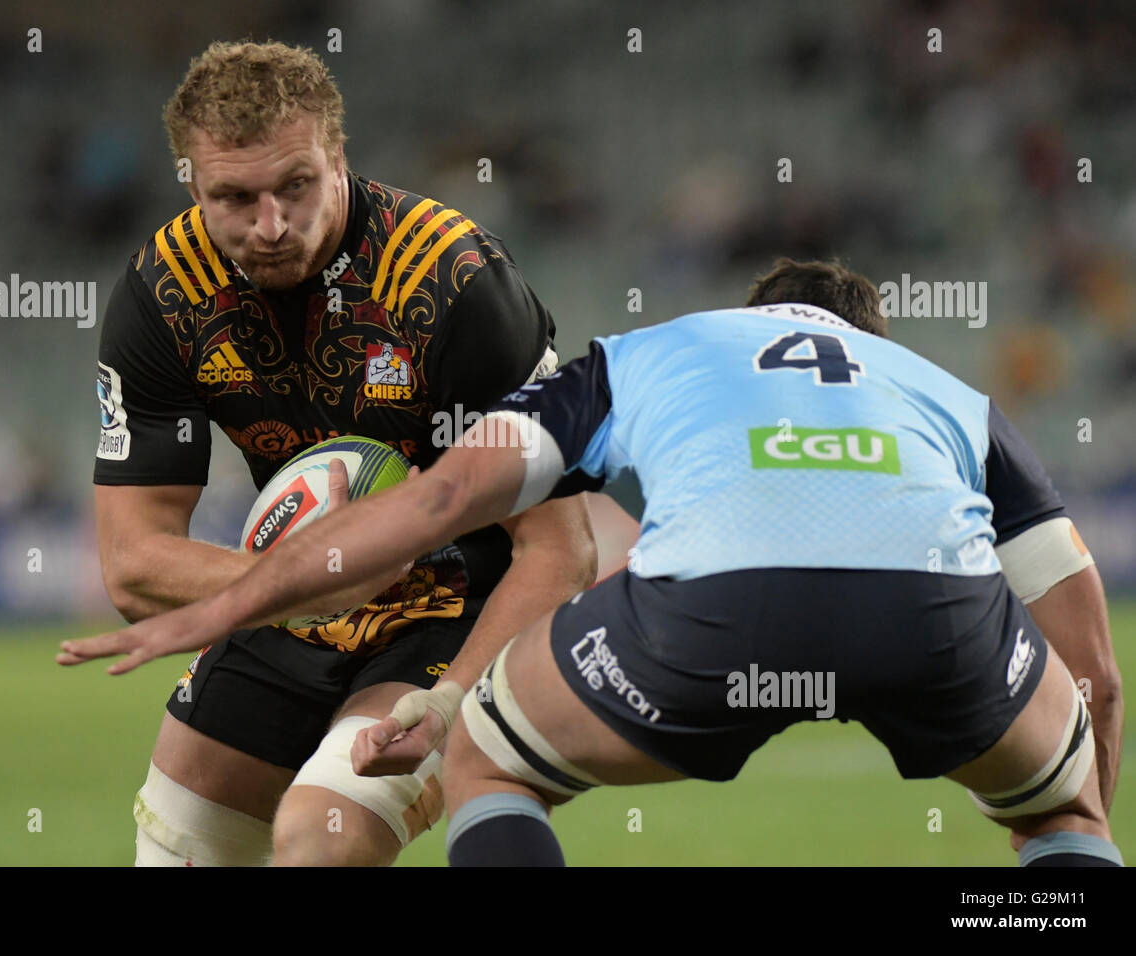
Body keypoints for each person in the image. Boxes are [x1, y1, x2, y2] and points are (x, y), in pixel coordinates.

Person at [62, 258, 1123, 867]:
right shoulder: (944, 391)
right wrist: (1078, 792)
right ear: (872, 338)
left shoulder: (655, 351)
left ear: (753, 312)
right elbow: (1098, 673)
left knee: (483, 756)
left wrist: (243, 595)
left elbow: (436, 498)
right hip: (938, 614)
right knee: (1056, 815)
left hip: (718, 602)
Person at [83, 37, 598, 867]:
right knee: (180, 848)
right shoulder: (162, 295)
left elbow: (560, 549)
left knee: (319, 838)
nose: (272, 225)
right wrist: (308, 583)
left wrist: (450, 704)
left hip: (458, 602)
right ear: (191, 183)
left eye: (296, 186)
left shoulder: (454, 283)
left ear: (338, 157)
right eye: (235, 198)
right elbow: (134, 564)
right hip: (288, 600)